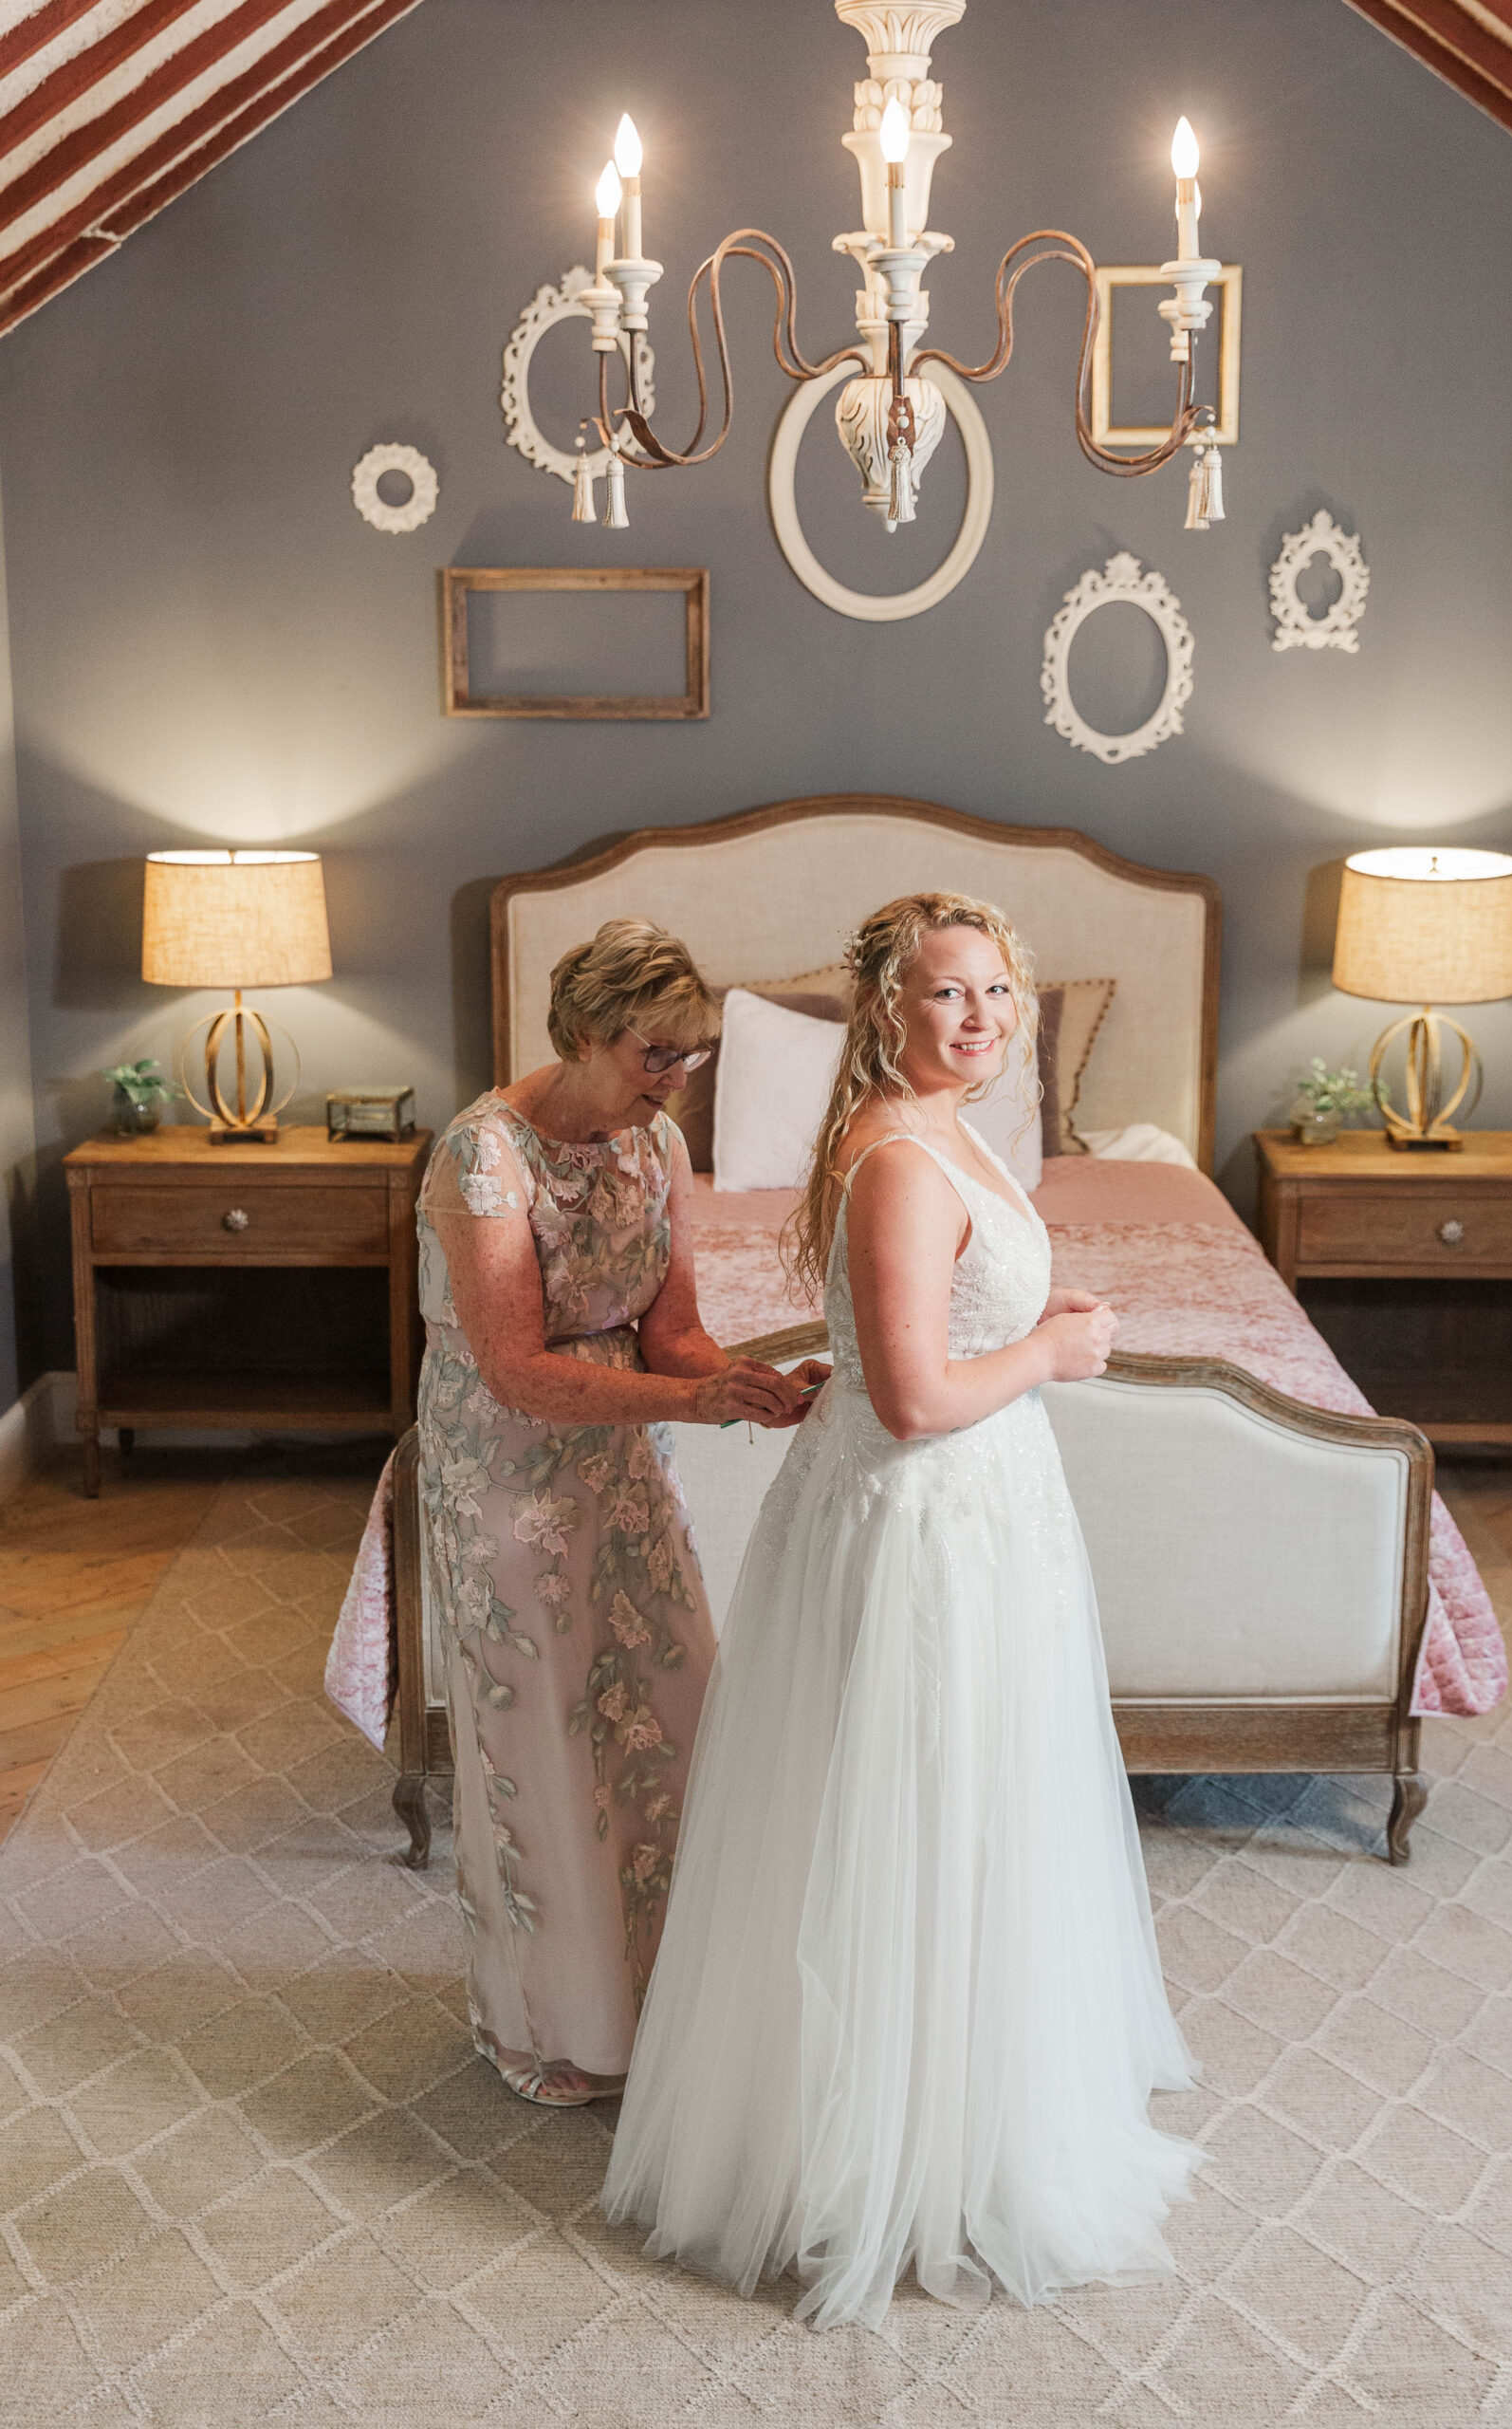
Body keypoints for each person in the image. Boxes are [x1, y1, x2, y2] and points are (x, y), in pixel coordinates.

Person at [602, 892, 1200, 2324]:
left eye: (998, 992)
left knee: (976, 1804)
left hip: (981, 1510)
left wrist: (1030, 1330)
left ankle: (974, 2095)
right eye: (948, 995)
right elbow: (921, 1397)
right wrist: (1053, 1350)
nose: (982, 1018)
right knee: (916, 1807)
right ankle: (893, 2148)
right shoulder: (897, 1161)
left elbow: (924, 1347)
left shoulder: (943, 1131)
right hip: (923, 1520)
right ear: (884, 1009)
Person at [416, 918, 817, 2107]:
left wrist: (743, 1383)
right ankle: (558, 2021)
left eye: (692, 1055)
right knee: (543, 1728)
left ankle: (670, 2001)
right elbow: (518, 1368)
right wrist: (691, 1399)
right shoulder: (482, 1156)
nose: (678, 1078)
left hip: (620, 1465)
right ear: (586, 1032)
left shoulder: (656, 1141)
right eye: (658, 1053)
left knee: (665, 1702)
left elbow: (673, 1330)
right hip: (505, 1468)